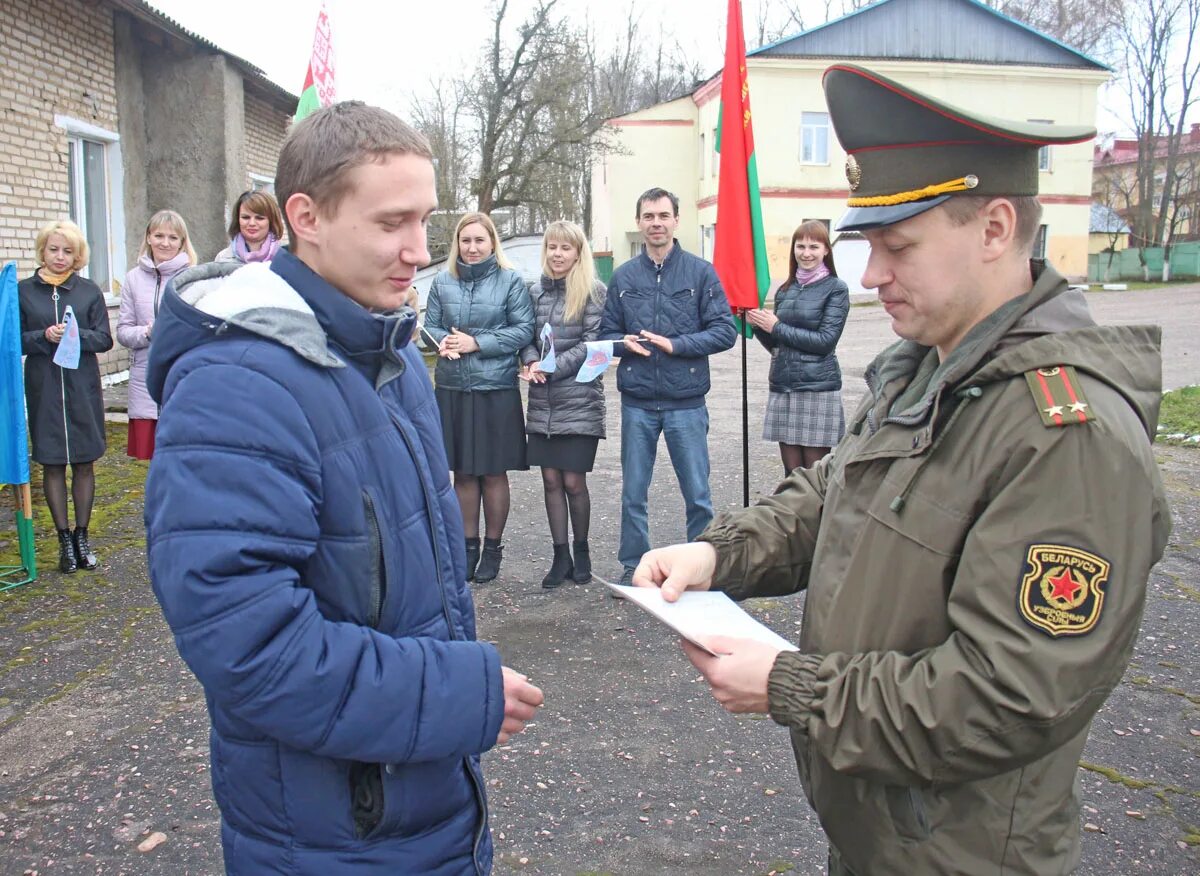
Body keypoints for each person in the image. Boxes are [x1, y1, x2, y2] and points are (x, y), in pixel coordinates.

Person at [631, 64, 1171, 876]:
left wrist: (792, 686)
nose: (872, 276)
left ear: (994, 229)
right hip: (884, 831)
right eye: (869, 246)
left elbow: (1010, 694)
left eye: (898, 246)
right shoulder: (929, 367)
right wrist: (722, 553)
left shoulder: (1065, 435)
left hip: (963, 852)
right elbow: (836, 490)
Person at [143, 102, 544, 875]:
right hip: (329, 835)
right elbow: (249, 645)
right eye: (392, 222)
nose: (418, 251)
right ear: (307, 217)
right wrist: (456, 693)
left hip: (417, 805)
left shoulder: (383, 350)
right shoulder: (237, 385)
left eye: (426, 221)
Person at [598, 187, 736, 587]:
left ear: (676, 220)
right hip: (638, 401)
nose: (655, 223)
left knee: (697, 493)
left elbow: (724, 332)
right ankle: (633, 566)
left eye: (663, 216)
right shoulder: (624, 276)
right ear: (638, 222)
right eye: (648, 216)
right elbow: (608, 333)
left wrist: (675, 345)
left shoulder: (700, 272)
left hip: (685, 402)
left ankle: (703, 569)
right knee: (633, 493)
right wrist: (622, 343)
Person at [425, 212, 534, 584]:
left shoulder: (510, 281)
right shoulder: (442, 281)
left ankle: (493, 548)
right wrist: (442, 342)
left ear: (492, 244)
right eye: (465, 241)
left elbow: (522, 330)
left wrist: (477, 343)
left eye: (479, 241)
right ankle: (466, 547)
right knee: (463, 473)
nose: (472, 248)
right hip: (454, 387)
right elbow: (432, 324)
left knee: (492, 472)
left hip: (495, 389)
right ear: (457, 244)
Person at [18, 220, 113, 573]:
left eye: (68, 251)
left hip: (81, 388)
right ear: (42, 250)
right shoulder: (23, 291)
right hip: (43, 387)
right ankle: (63, 541)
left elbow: (104, 339)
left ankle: (82, 536)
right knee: (53, 463)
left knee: (84, 461)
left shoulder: (88, 291)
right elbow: (13, 340)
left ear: (78, 256)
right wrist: (44, 336)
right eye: (54, 249)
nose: (60, 257)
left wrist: (75, 335)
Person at [519, 220, 606, 589]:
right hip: (542, 400)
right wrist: (528, 362)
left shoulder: (593, 291)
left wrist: (550, 368)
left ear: (578, 253)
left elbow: (590, 343)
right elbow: (524, 334)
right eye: (552, 247)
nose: (557, 254)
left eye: (565, 248)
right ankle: (560, 556)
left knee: (573, 482)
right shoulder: (533, 290)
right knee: (550, 479)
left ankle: (582, 551)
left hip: (580, 398)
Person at [746, 221, 850, 473]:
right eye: (800, 246)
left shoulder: (836, 289)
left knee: (813, 477)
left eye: (814, 246)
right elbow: (777, 345)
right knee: (791, 476)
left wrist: (776, 326)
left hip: (817, 389)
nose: (806, 253)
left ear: (826, 250)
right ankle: (791, 515)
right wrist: (760, 326)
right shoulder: (785, 290)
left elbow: (825, 342)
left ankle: (819, 515)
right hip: (784, 386)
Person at [115, 210, 197, 460]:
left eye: (173, 237)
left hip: (183, 376)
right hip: (144, 379)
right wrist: (148, 333)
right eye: (159, 235)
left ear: (183, 242)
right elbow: (123, 331)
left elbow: (202, 329)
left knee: (185, 456)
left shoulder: (193, 277)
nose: (165, 242)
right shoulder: (133, 278)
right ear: (148, 238)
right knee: (153, 464)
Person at [214, 189, 284, 263]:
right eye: (245, 217)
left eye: (259, 218)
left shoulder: (286, 259)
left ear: (271, 221)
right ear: (237, 220)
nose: (252, 223)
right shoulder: (222, 258)